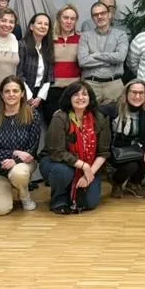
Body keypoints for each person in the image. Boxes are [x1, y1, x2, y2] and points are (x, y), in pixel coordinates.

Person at [40, 81, 110, 214]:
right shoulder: (60, 117)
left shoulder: (99, 118)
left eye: (84, 94)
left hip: (89, 165)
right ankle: (59, 198)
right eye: (76, 95)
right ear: (69, 98)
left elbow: (103, 152)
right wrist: (84, 166)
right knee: (63, 172)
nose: (80, 98)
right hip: (58, 162)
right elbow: (57, 152)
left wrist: (89, 173)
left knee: (89, 203)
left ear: (90, 98)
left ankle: (71, 192)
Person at [0, 75, 42, 216]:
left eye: (15, 91)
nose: (11, 94)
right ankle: (3, 188)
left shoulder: (32, 114)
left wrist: (15, 161)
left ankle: (24, 195)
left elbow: (32, 149)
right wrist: (14, 153)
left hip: (23, 164)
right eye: (7, 91)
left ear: (22, 94)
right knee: (1, 210)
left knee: (18, 173)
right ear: (1, 94)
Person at [101, 79, 145, 199]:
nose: (137, 96)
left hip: (135, 149)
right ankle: (116, 183)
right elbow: (95, 110)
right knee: (132, 165)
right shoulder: (114, 108)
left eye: (141, 93)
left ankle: (133, 183)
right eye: (134, 92)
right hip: (115, 151)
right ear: (126, 93)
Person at [78, 0, 128, 105]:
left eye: (103, 13)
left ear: (109, 14)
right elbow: (83, 61)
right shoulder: (85, 36)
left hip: (114, 85)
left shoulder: (121, 35)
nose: (99, 16)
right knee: (90, 113)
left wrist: (96, 55)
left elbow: (120, 57)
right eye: (95, 15)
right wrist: (110, 61)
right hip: (91, 84)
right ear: (92, 18)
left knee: (116, 114)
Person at [47, 4, 81, 124]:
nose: (69, 21)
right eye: (66, 18)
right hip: (53, 89)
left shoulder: (81, 39)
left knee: (73, 126)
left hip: (74, 89)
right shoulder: (49, 39)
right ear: (59, 18)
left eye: (72, 19)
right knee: (54, 125)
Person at [17, 13, 54, 119]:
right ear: (32, 26)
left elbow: (49, 76)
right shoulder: (22, 45)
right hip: (23, 93)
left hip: (40, 96)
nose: (43, 26)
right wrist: (29, 97)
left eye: (46, 24)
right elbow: (18, 73)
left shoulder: (47, 48)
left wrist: (40, 97)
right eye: (39, 23)